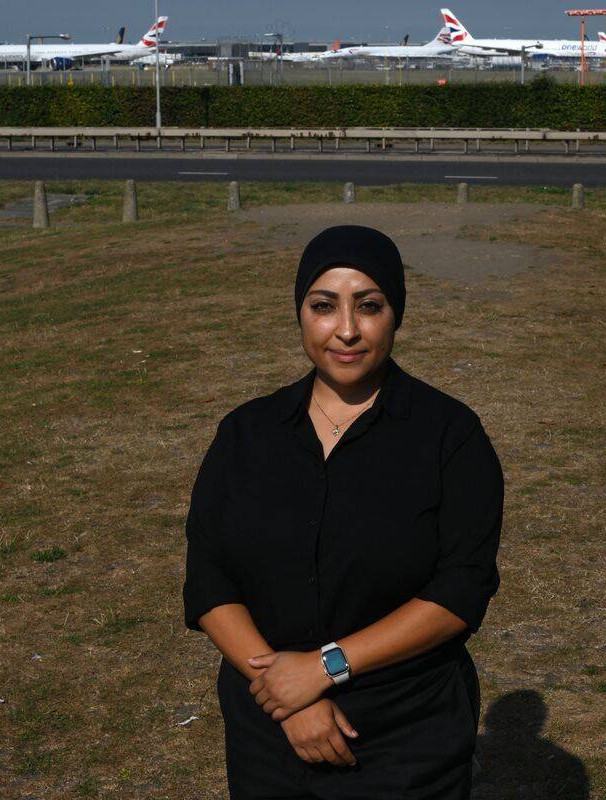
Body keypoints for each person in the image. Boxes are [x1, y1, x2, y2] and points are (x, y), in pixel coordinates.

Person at [181, 224, 504, 800]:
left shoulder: (450, 437)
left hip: (405, 732)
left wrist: (323, 668)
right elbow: (209, 578)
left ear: (396, 314)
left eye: (370, 306)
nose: (347, 330)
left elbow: (461, 589)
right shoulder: (246, 434)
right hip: (268, 731)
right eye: (324, 306)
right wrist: (284, 694)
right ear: (300, 314)